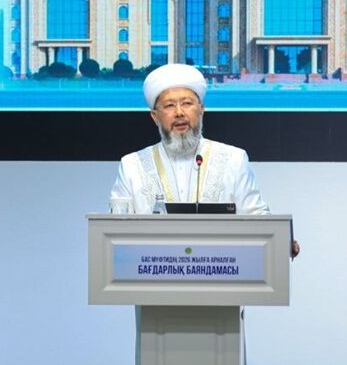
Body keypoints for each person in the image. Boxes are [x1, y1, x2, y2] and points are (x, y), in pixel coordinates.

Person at [109, 62, 299, 258]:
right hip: (151, 270)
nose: (179, 113)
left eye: (187, 103)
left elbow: (255, 217)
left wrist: (280, 240)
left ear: (201, 109)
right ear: (155, 117)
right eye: (169, 105)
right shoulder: (132, 165)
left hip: (221, 269)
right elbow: (116, 229)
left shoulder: (233, 159)